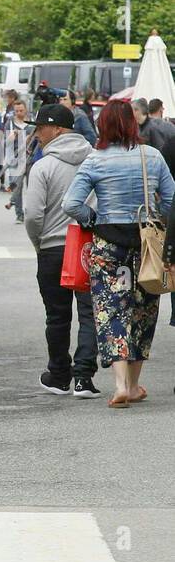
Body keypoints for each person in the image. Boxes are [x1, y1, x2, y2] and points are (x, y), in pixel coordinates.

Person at [62, 100, 175, 407]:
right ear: (132, 124)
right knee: (143, 310)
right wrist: (157, 217)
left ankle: (120, 384)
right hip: (145, 244)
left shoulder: (95, 160)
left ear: (103, 126)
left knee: (110, 311)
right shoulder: (151, 156)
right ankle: (136, 384)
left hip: (108, 245)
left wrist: (93, 219)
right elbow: (171, 199)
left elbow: (71, 204)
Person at [21, 103, 99, 398]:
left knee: (57, 316)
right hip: (88, 247)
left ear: (58, 129)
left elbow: (32, 216)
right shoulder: (94, 161)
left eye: (40, 128)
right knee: (90, 312)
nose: (37, 134)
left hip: (53, 247)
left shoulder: (43, 166)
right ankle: (84, 377)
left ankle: (58, 374)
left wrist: (38, 243)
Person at [4, 100, 34, 222]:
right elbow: (5, 143)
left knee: (32, 188)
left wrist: (30, 137)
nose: (19, 113)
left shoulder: (32, 123)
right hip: (16, 160)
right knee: (17, 187)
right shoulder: (9, 124)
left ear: (26, 109)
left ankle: (31, 213)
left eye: (21, 110)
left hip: (31, 160)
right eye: (16, 111)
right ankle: (19, 214)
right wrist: (10, 139)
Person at [131, 98, 175, 176]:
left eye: (132, 110)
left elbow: (159, 150)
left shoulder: (152, 127)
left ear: (137, 110)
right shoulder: (139, 127)